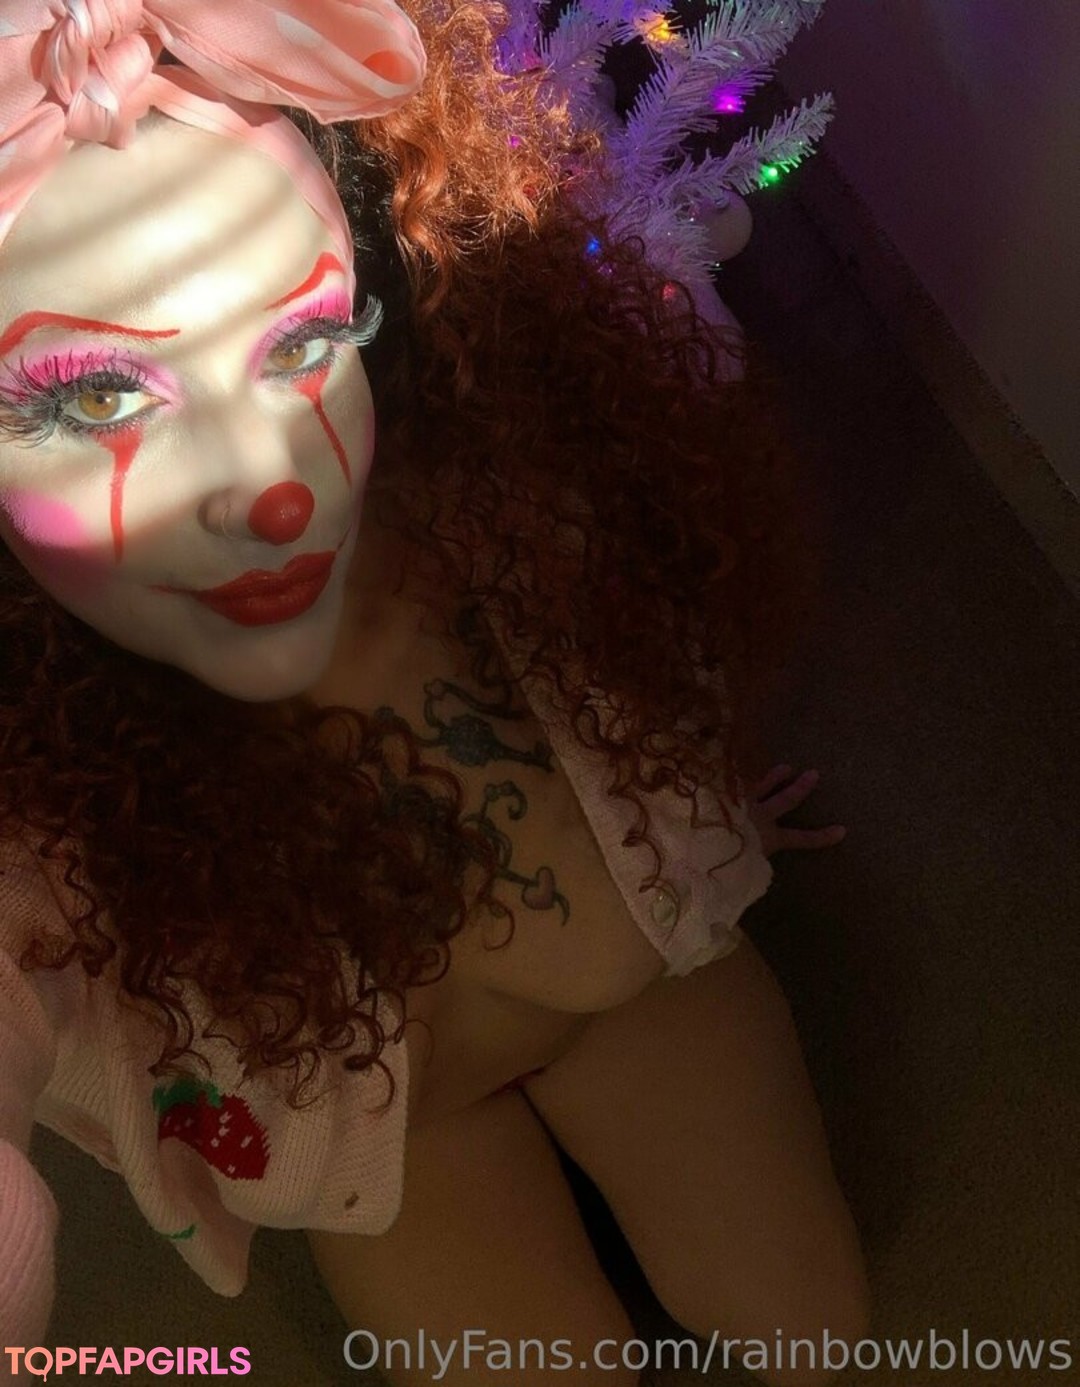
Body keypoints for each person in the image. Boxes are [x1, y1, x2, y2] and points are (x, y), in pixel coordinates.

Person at [0, 3, 869, 1384]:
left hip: (641, 994)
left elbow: (649, 638)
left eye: (302, 343)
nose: (272, 490)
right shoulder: (33, 786)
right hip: (400, 1157)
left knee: (819, 1336)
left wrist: (694, 819)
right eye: (98, 400)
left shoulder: (484, 486)